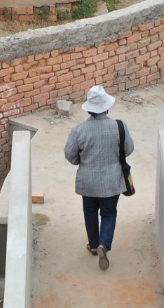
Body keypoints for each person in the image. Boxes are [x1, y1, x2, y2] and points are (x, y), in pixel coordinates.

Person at [62, 85, 133, 272]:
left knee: (90, 212)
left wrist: (83, 161)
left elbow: (70, 156)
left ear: (89, 109)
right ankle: (104, 244)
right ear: (107, 108)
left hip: (88, 182)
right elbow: (129, 150)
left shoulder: (79, 130)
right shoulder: (119, 126)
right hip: (111, 182)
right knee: (109, 213)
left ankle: (93, 246)